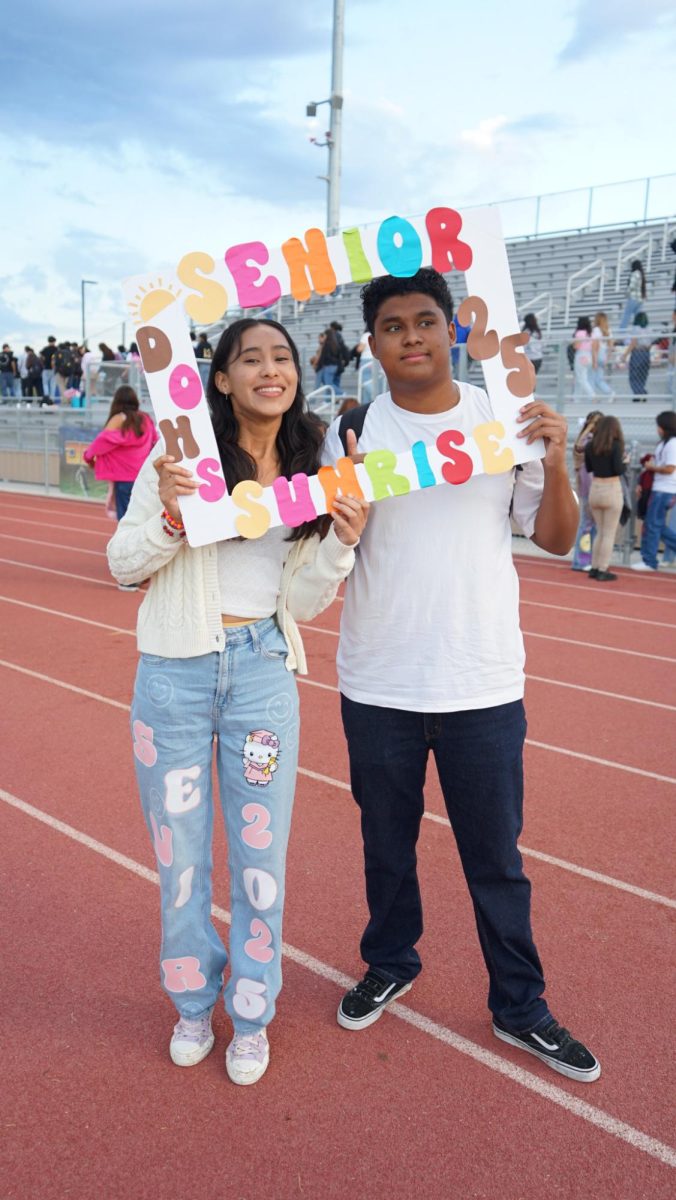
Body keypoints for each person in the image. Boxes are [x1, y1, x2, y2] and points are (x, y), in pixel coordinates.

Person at [322, 267, 600, 1084]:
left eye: (426, 321)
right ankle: (391, 959)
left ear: (455, 330)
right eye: (394, 326)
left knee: (496, 857)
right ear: (372, 345)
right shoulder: (353, 432)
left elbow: (553, 540)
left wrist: (553, 462)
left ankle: (520, 1003)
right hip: (379, 682)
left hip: (482, 683)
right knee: (385, 845)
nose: (412, 336)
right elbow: (329, 557)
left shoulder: (503, 421)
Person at [107, 318, 367, 1085]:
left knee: (261, 860)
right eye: (248, 358)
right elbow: (124, 565)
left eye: (281, 357)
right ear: (218, 379)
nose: (269, 369)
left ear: (296, 374)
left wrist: (343, 543)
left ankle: (250, 1014)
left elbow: (307, 602)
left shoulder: (313, 460)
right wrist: (171, 516)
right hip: (174, 680)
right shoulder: (177, 455)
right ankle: (192, 1002)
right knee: (179, 860)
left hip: (261, 678)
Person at [84, 384, 159, 535]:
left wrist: (88, 457)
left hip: (124, 479)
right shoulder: (145, 419)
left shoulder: (119, 419)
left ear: (116, 402)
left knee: (126, 521)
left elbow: (102, 442)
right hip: (144, 477)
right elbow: (155, 441)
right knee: (144, 517)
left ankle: (130, 553)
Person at [631, 411, 676, 571]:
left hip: (665, 490)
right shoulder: (664, 443)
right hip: (660, 489)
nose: (657, 429)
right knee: (656, 525)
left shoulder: (672, 444)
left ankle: (649, 561)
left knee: (652, 525)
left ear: (664, 427)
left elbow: (670, 468)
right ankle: (649, 560)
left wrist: (652, 467)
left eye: (659, 426)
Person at [584, 415, 625, 582]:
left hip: (595, 488)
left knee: (600, 532)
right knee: (609, 533)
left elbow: (589, 467)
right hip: (611, 488)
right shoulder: (616, 445)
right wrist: (626, 461)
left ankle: (594, 567)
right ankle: (603, 568)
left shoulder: (590, 446)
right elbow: (619, 469)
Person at [571, 410, 603, 571]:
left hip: (593, 488)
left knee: (592, 526)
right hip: (588, 488)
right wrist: (589, 426)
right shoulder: (587, 440)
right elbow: (579, 446)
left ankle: (587, 558)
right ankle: (581, 560)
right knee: (587, 525)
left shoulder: (595, 440)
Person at [622, 312, 651, 400]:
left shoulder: (636, 329)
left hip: (637, 352)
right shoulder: (649, 329)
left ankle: (639, 393)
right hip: (646, 353)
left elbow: (633, 342)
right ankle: (639, 393)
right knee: (643, 375)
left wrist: (625, 354)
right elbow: (650, 344)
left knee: (634, 375)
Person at [590, 312, 613, 399]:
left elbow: (595, 346)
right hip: (604, 354)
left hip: (597, 353)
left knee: (593, 378)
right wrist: (608, 357)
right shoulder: (608, 330)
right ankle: (609, 393)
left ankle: (593, 397)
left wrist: (594, 360)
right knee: (598, 379)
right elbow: (611, 345)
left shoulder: (596, 330)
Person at [619, 259, 646, 331]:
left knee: (626, 315)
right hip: (639, 299)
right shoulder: (641, 274)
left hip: (633, 298)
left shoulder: (635, 273)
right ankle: (637, 333)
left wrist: (626, 293)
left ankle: (621, 332)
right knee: (637, 318)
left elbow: (632, 286)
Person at [572, 317, 594, 399]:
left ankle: (592, 395)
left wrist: (573, 343)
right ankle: (576, 398)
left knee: (581, 379)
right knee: (581, 378)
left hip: (581, 355)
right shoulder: (590, 333)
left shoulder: (579, 333)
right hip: (588, 355)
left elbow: (576, 346)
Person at [40, 336, 58, 401]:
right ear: (54, 341)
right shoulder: (56, 349)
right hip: (53, 369)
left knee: (45, 384)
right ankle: (52, 399)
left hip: (45, 369)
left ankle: (46, 398)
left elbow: (41, 356)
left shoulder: (45, 349)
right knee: (53, 385)